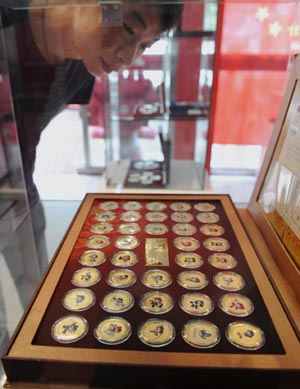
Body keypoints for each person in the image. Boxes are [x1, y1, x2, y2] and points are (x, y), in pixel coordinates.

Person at [0, 0, 183, 207]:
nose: (128, 59)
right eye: (128, 27)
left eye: (144, 45)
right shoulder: (9, 21)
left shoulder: (85, 65)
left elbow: (34, 125)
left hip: (22, 198)